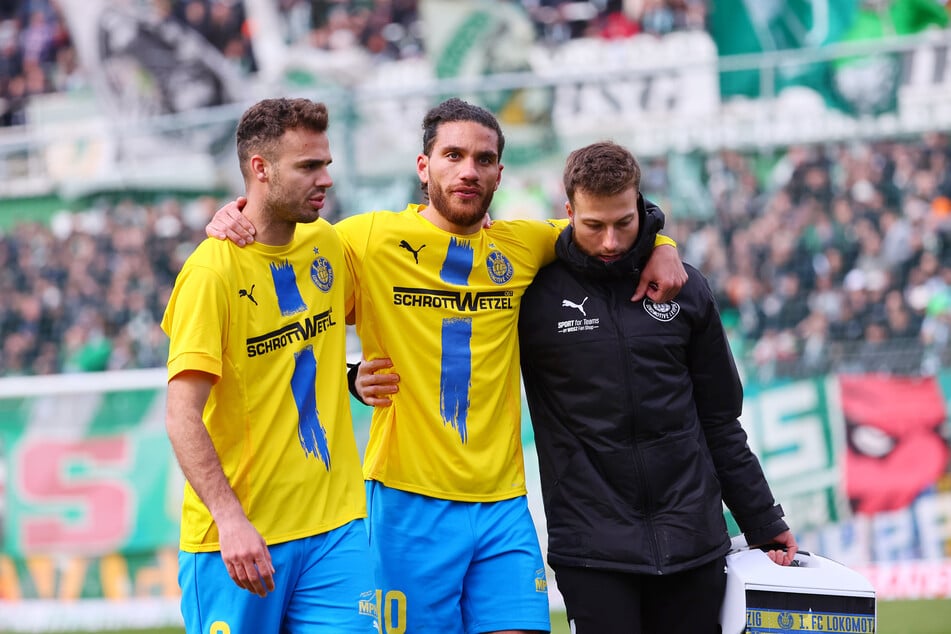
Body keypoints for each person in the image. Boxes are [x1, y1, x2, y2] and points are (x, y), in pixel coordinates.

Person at [207, 98, 688, 633]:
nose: (468, 170)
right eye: (453, 154)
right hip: (408, 505)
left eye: (483, 160)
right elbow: (290, 264)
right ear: (423, 166)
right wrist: (238, 212)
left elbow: (605, 226)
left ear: (499, 174)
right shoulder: (365, 240)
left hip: (502, 504)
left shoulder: (525, 245)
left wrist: (661, 241)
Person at [355, 141, 798, 634]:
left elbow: (719, 419)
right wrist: (353, 375)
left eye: (624, 224)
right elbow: (440, 333)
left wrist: (762, 519)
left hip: (693, 539)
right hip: (591, 550)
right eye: (593, 226)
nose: (610, 241)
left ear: (643, 211)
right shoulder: (530, 289)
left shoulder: (684, 288)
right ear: (568, 214)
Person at [162, 98, 375, 633]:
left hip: (337, 528)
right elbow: (181, 415)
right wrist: (230, 520)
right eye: (308, 166)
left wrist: (350, 376)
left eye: (325, 163)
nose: (325, 178)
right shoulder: (210, 274)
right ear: (260, 169)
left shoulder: (328, 242)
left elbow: (329, 333)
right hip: (239, 540)